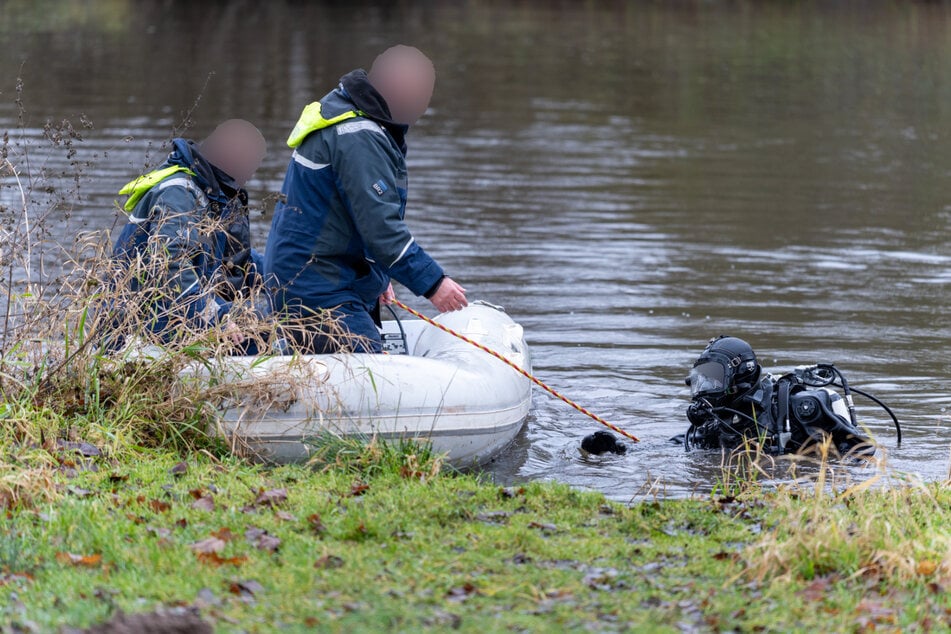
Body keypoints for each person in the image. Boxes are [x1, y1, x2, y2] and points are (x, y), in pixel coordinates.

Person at [264, 45, 468, 354]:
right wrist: (434, 283)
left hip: (324, 279)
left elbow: (347, 216)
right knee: (374, 382)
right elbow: (381, 229)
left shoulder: (359, 121)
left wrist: (376, 276)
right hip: (317, 289)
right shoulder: (357, 136)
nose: (423, 104)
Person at [111, 119, 268, 347]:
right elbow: (170, 265)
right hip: (145, 324)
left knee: (263, 320)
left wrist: (283, 271)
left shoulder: (211, 192)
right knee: (259, 335)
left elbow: (232, 259)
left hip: (174, 311)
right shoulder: (181, 194)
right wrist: (219, 316)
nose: (251, 173)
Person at [680, 336, 879, 456]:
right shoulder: (716, 420)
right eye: (703, 379)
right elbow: (681, 444)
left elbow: (861, 452)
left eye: (715, 377)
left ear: (741, 374)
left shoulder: (800, 408)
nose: (707, 387)